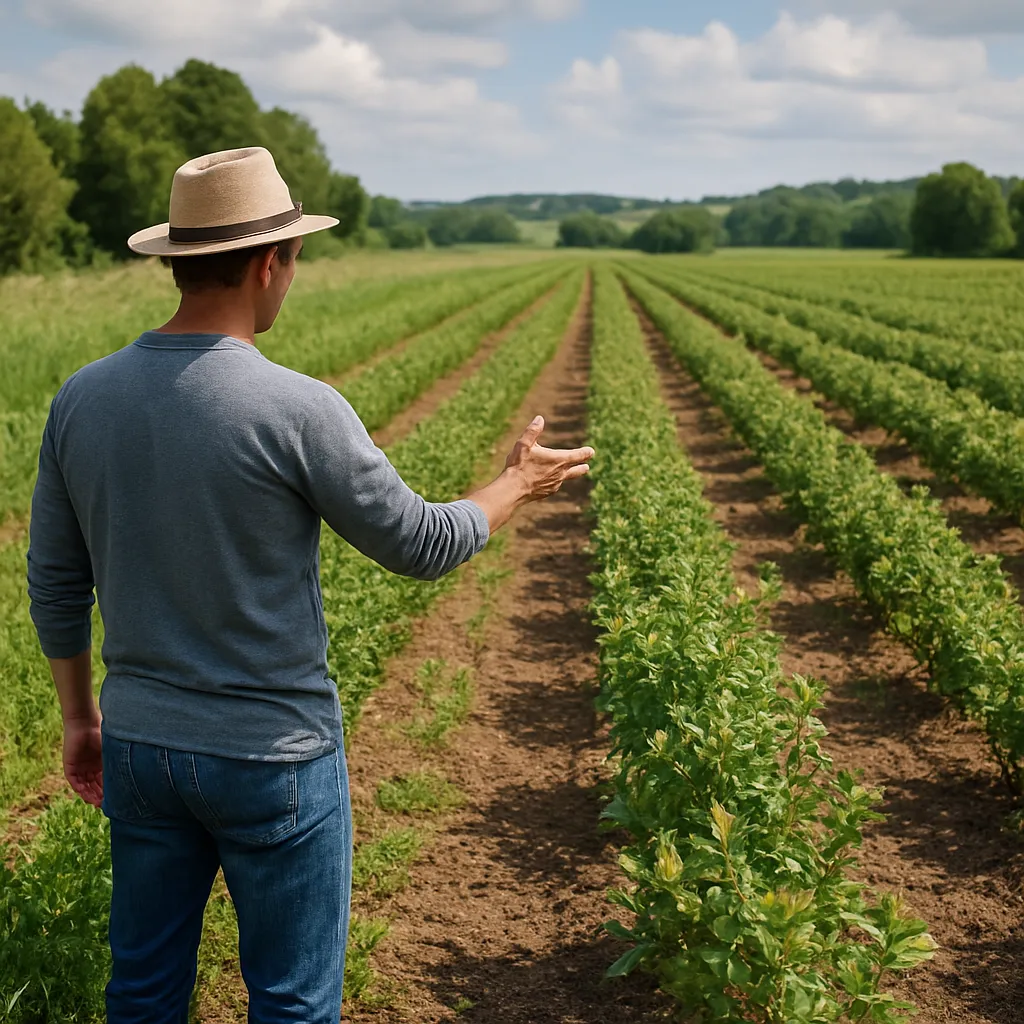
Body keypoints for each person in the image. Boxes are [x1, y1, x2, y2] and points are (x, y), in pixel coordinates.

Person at [26, 147, 593, 1024]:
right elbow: (420, 542)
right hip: (273, 756)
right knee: (292, 1006)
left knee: (141, 992)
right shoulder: (297, 407)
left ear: (177, 260)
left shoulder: (81, 398)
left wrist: (80, 719)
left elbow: (56, 584)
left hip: (141, 746)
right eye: (293, 258)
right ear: (267, 263)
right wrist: (516, 482)